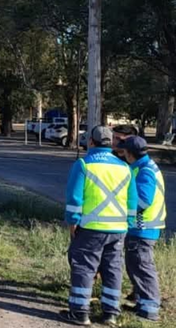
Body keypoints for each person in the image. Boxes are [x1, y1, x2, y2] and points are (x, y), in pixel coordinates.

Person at [60, 126, 138, 326]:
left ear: (91, 142)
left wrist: (72, 224)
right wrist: (127, 225)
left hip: (90, 228)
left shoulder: (84, 164)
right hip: (118, 230)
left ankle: (79, 312)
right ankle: (110, 313)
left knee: (84, 269)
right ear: (111, 143)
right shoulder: (125, 168)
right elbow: (132, 202)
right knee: (113, 270)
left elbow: (74, 199)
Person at [117, 136, 166, 322]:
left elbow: (143, 200)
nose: (122, 154)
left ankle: (150, 309)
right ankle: (142, 303)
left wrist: (122, 206)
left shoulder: (145, 171)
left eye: (124, 151)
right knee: (136, 266)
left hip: (143, 227)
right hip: (143, 227)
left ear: (130, 153)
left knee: (142, 267)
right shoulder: (144, 166)